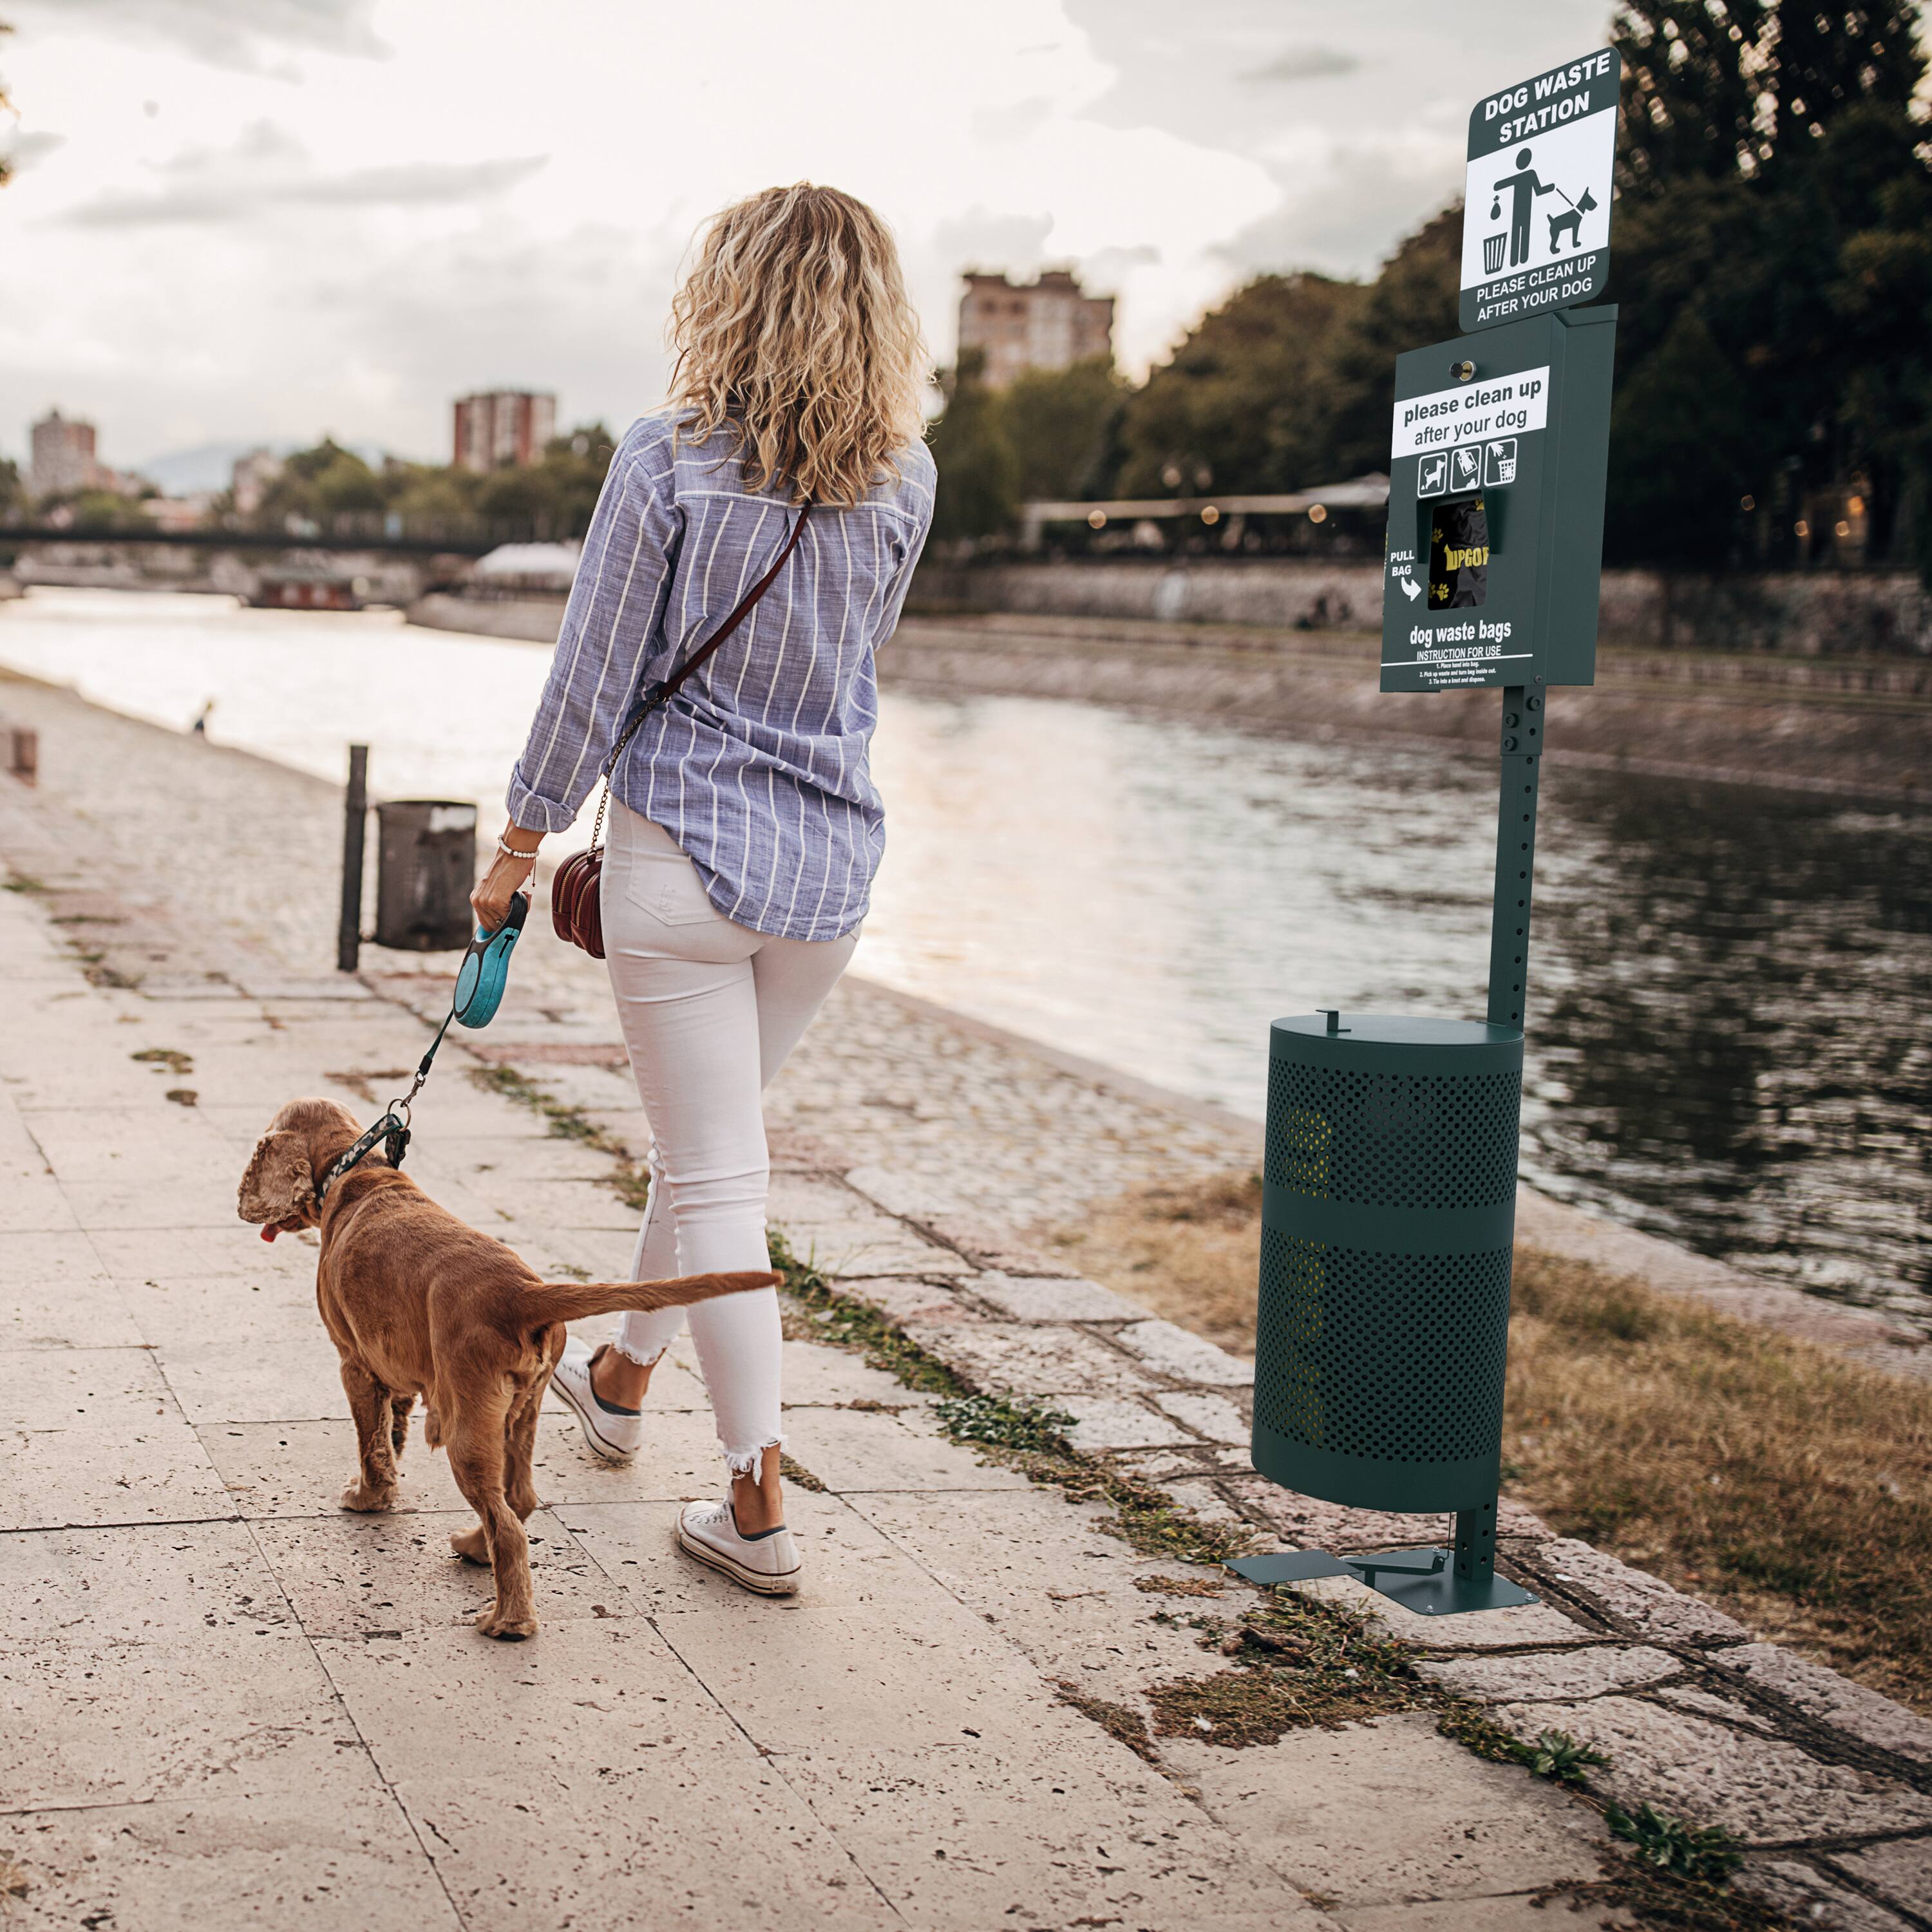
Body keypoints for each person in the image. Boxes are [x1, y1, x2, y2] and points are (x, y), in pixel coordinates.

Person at [471, 184, 933, 1595]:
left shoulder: (666, 458)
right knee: (713, 1150)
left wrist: (520, 843)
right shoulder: (907, 479)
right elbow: (855, 678)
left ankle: (757, 1503)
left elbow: (592, 673)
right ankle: (617, 1382)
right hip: (828, 876)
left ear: (726, 295)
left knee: (722, 1171)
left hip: (679, 854)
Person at [1492, 147, 1554, 268]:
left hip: (1526, 209)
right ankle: (1515, 261)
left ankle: (1522, 260)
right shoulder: (1525, 175)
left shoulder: (1531, 174)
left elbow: (1539, 191)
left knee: (1523, 232)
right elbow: (1498, 185)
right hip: (1518, 210)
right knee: (1518, 232)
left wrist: (1550, 188)